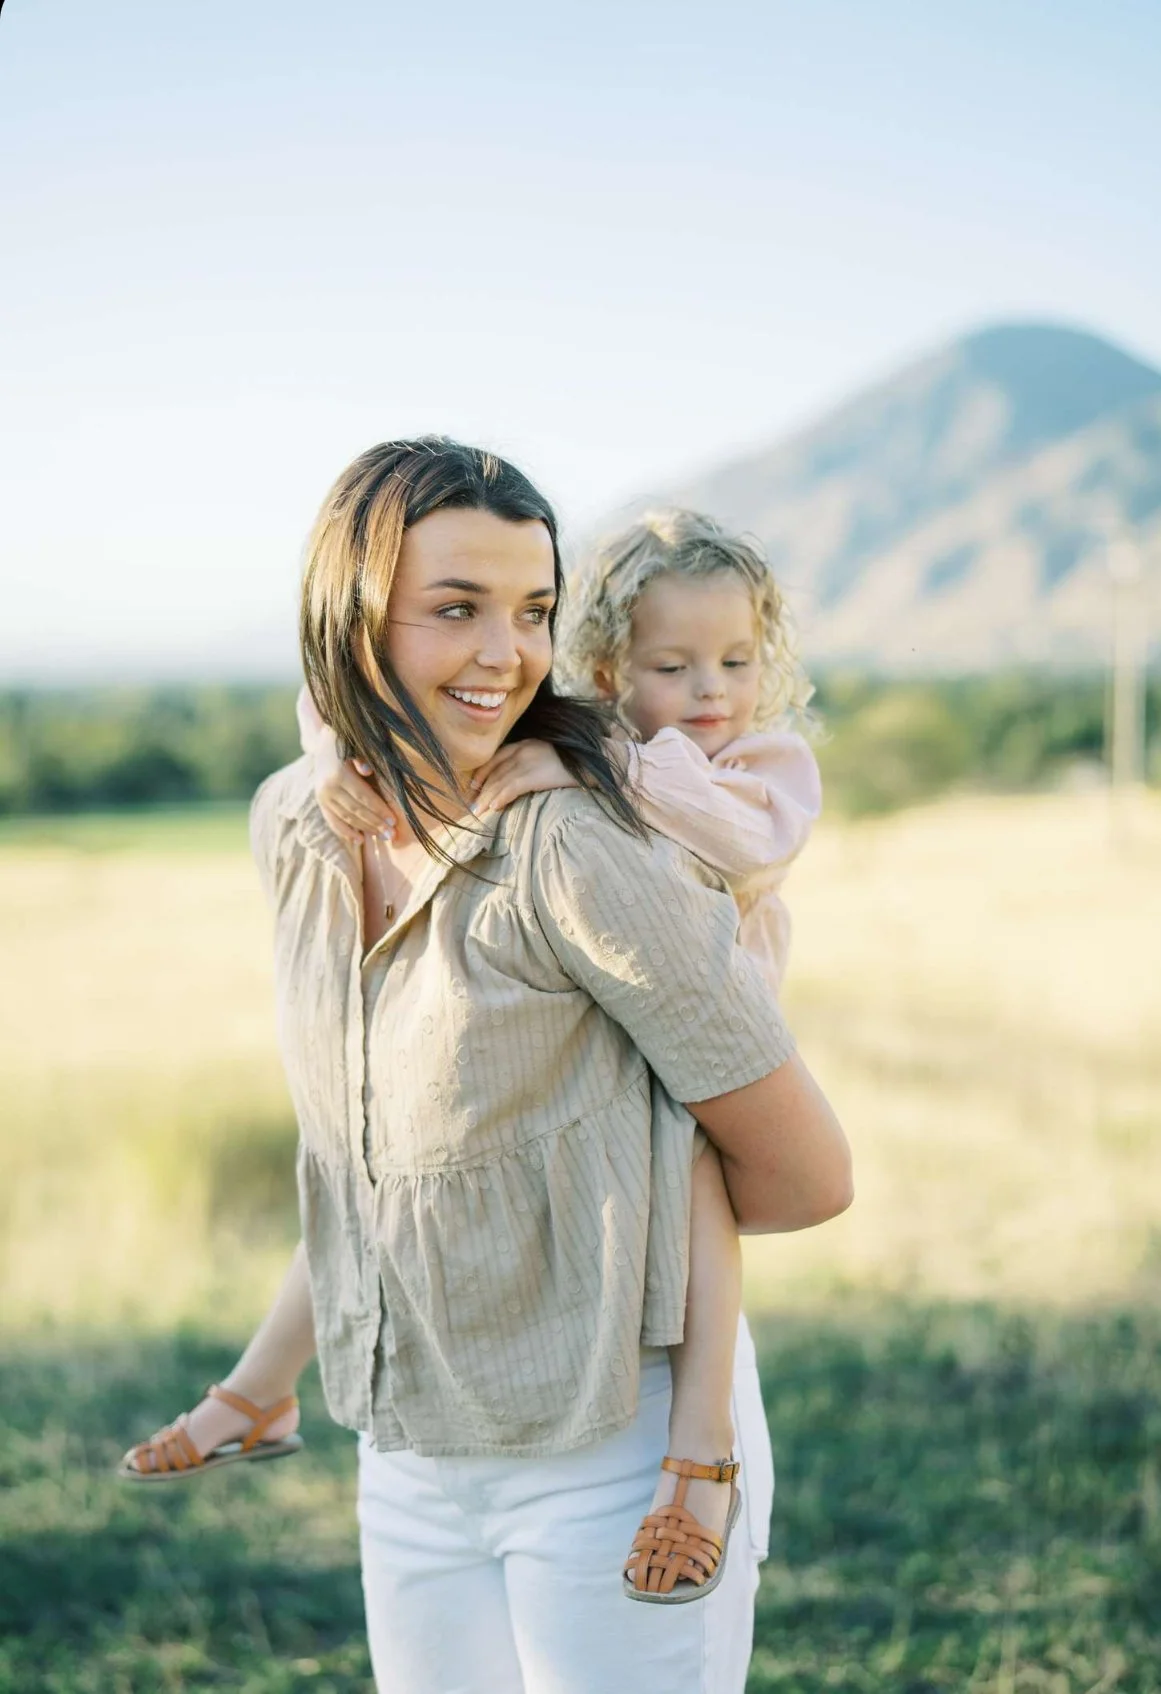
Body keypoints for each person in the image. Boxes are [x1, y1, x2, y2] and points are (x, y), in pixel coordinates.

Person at [120, 438, 851, 1693]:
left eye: (533, 612)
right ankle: (256, 1392)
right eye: (456, 608)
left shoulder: (574, 841)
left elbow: (805, 1174)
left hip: (614, 1457)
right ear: (349, 619)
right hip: (406, 1446)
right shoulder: (290, 828)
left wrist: (607, 1209)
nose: (508, 654)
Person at [299, 506, 823, 1604]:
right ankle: (255, 1385)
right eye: (673, 665)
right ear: (611, 666)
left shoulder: (743, 766)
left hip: (723, 986)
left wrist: (586, 770)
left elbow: (742, 837)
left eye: (736, 660)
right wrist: (326, 761)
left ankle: (702, 1449)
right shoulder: (580, 744)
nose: (711, 689)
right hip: (437, 1450)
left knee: (688, 1181)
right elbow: (327, 696)